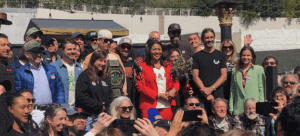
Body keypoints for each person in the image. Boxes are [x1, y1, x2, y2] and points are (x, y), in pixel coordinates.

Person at [136, 40, 180, 120]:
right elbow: (140, 86)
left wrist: (174, 90)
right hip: (149, 105)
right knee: (150, 131)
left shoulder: (169, 66)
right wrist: (158, 95)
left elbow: (176, 82)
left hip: (167, 105)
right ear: (149, 50)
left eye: (159, 49)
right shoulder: (142, 66)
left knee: (166, 130)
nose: (157, 52)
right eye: (154, 49)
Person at [192, 28, 227, 116]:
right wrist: (206, 93)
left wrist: (211, 89)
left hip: (218, 96)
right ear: (202, 40)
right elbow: (195, 76)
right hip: (202, 96)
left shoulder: (221, 55)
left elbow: (224, 76)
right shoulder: (196, 56)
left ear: (214, 38)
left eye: (211, 37)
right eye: (207, 38)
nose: (209, 39)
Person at [83, 29, 127, 98]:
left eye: (110, 41)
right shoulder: (90, 57)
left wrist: (124, 91)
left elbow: (122, 74)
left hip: (116, 95)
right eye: (106, 40)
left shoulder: (116, 56)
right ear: (98, 41)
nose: (108, 43)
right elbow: (86, 76)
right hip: (98, 96)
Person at [229, 46, 265, 116]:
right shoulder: (234, 70)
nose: (246, 57)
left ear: (252, 56)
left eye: (248, 55)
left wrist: (261, 106)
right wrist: (231, 107)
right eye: (243, 55)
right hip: (238, 108)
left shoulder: (258, 69)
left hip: (253, 108)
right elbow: (232, 90)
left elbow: (261, 89)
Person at [76, 50, 113, 115]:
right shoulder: (84, 76)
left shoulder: (105, 78)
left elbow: (110, 96)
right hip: (88, 114)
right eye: (100, 60)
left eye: (104, 61)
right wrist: (99, 105)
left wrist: (105, 107)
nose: (103, 64)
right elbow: (81, 96)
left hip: (104, 114)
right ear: (93, 60)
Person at [51, 38, 83, 106]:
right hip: (59, 107)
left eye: (74, 49)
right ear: (62, 50)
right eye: (69, 49)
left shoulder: (79, 67)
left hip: (75, 107)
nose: (72, 51)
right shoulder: (53, 67)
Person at [116, 38, 140, 109]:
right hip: (118, 99)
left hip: (132, 100)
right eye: (123, 47)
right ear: (119, 47)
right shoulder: (115, 62)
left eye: (128, 47)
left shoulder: (134, 63)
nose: (126, 49)